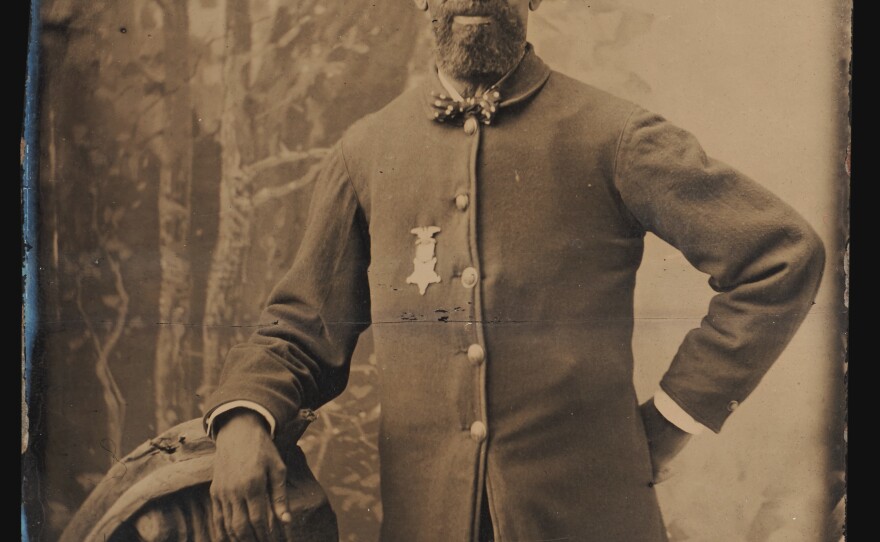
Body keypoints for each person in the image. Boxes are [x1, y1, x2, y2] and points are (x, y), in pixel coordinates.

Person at [204, 1, 826, 540]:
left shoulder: (615, 135)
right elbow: (299, 335)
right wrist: (242, 419)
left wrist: (675, 416)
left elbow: (779, 255)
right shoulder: (367, 151)